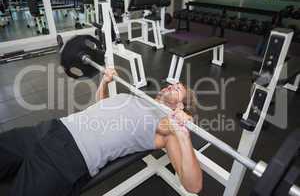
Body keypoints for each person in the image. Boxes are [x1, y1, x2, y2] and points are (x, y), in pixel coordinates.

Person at [0, 68, 203, 196]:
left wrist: (183, 134)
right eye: (173, 84)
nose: (170, 87)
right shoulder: (137, 98)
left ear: (180, 106)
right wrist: (104, 83)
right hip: (51, 128)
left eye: (177, 89)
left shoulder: (167, 126)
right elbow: (102, 107)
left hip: (68, 157)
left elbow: (193, 186)